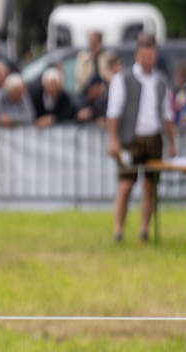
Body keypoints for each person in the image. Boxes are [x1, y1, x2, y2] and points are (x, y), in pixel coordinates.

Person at [107, 33, 175, 243]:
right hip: (130, 140)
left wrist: (172, 143)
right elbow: (113, 112)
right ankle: (118, 231)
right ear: (137, 55)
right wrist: (114, 140)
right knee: (126, 185)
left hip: (154, 139)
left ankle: (144, 230)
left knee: (150, 186)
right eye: (144, 56)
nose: (148, 60)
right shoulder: (122, 79)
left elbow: (167, 115)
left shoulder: (161, 82)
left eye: (151, 56)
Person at [74, 31, 105, 95]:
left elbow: (106, 76)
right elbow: (80, 77)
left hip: (102, 92)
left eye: (94, 41)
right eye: (90, 41)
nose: (91, 44)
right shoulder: (83, 57)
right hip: (85, 92)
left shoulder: (106, 57)